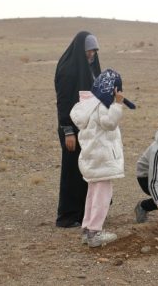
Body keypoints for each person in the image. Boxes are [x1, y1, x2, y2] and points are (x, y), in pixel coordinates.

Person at [70, 69, 134, 247]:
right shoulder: (101, 106)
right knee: (102, 196)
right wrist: (118, 104)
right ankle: (95, 233)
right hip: (102, 160)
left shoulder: (88, 105)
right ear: (113, 90)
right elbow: (110, 123)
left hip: (92, 159)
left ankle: (87, 229)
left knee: (92, 194)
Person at [54, 31, 101, 228]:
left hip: (89, 129)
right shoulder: (68, 70)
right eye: (89, 50)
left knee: (86, 169)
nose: (91, 54)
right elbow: (64, 103)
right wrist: (68, 131)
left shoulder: (91, 69)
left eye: (94, 51)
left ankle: (84, 214)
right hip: (72, 129)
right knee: (72, 170)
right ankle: (67, 216)